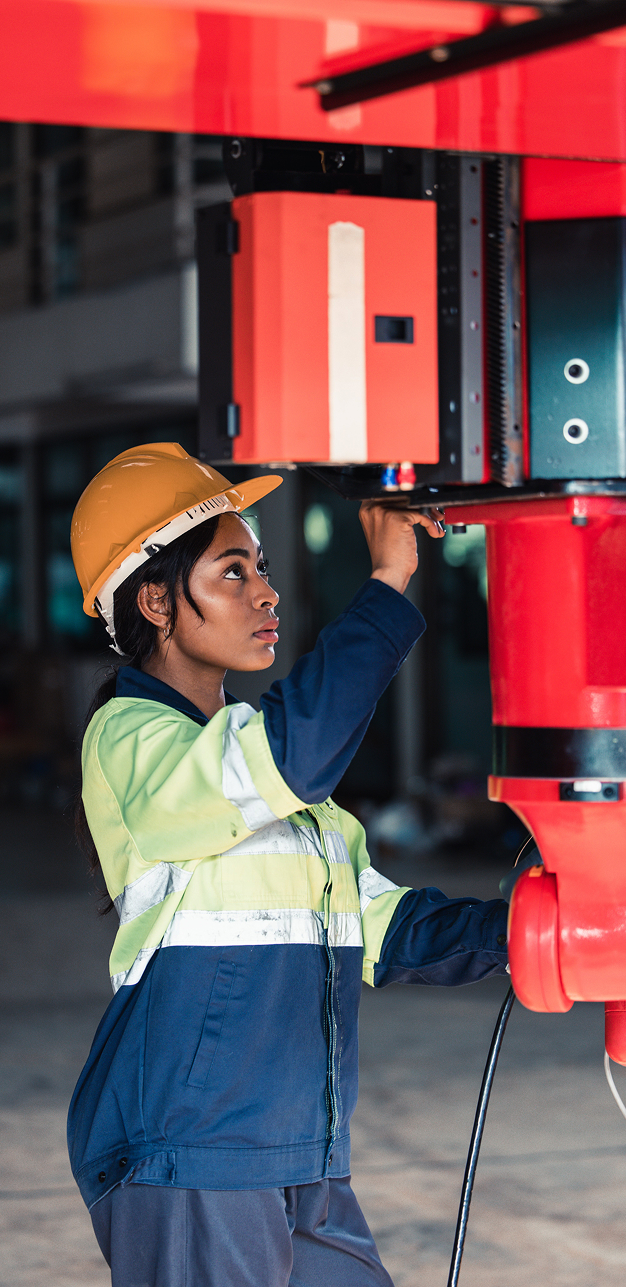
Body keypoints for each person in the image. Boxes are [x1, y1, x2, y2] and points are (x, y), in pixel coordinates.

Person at [67, 442, 509, 1287]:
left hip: (297, 1145)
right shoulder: (133, 741)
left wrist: (533, 926)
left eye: (260, 567)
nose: (265, 591)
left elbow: (383, 927)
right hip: (189, 1147)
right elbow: (290, 750)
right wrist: (385, 586)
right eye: (232, 572)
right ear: (157, 598)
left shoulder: (291, 806)